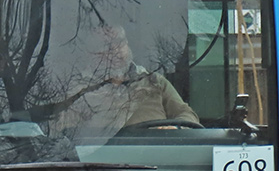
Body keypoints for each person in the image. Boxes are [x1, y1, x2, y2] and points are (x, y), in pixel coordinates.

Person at [49, 24, 198, 138]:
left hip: (156, 168)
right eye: (106, 46)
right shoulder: (75, 91)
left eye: (120, 43)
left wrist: (175, 129)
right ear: (91, 53)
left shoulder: (154, 81)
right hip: (97, 169)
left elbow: (188, 117)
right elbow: (54, 132)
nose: (116, 51)